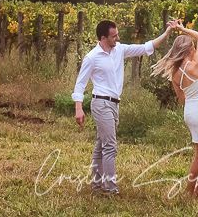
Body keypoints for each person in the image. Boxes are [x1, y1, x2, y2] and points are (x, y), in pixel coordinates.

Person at [73, 18, 172, 195]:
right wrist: (78, 108)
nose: (117, 38)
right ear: (103, 38)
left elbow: (146, 47)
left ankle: (96, 185)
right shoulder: (92, 57)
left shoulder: (120, 50)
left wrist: (167, 33)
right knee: (110, 145)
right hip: (100, 103)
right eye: (114, 36)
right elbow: (80, 85)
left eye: (117, 35)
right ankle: (110, 188)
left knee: (101, 144)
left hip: (114, 103)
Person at [150, 18, 198, 199]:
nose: (196, 49)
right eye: (192, 48)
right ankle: (190, 192)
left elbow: (183, 99)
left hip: (190, 112)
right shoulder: (195, 66)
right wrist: (182, 28)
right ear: (189, 50)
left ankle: (197, 191)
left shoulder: (175, 73)